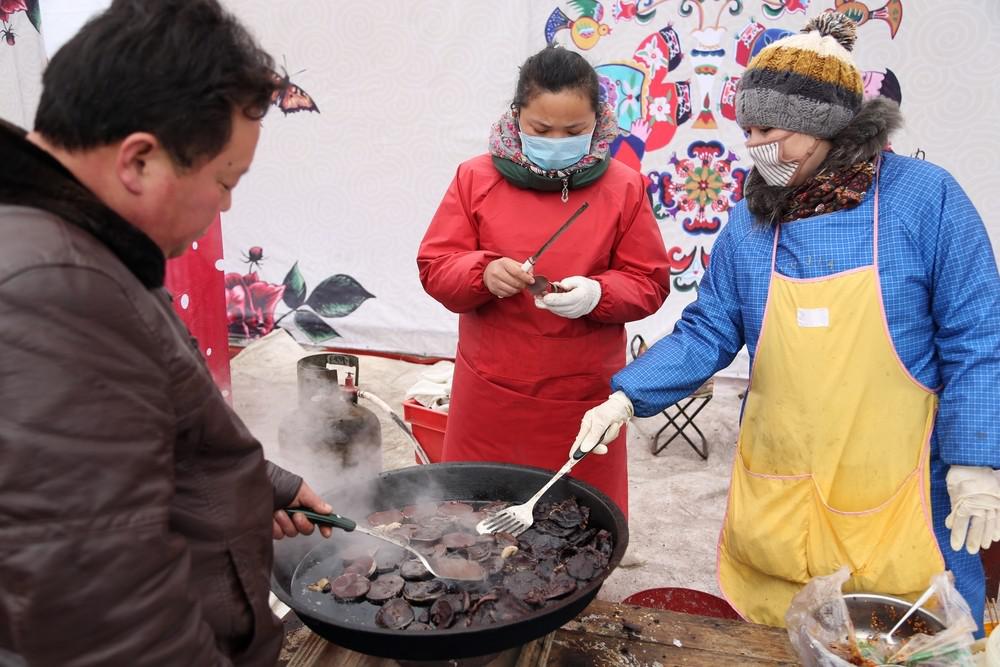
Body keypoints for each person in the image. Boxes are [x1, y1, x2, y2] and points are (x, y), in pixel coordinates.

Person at [571, 13, 1000, 630]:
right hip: (782, 484)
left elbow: (978, 335)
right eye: (748, 130)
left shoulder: (924, 199)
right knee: (783, 637)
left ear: (823, 124)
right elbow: (710, 328)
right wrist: (626, 395)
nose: (755, 148)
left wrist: (975, 459)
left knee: (906, 636)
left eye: (768, 130)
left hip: (899, 494)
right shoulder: (751, 222)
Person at [0, 1, 335, 664]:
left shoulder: (79, 243)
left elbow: (121, 441)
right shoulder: (52, 291)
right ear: (139, 162)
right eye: (224, 179)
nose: (228, 205)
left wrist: (252, 481)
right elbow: (100, 615)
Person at [417, 45, 669, 513]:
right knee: (474, 518)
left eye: (574, 131)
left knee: (580, 526)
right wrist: (483, 273)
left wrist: (599, 293)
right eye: (540, 129)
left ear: (599, 119)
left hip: (584, 395)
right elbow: (436, 266)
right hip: (489, 391)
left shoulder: (624, 187)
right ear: (516, 117)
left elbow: (650, 282)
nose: (557, 140)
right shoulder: (475, 178)